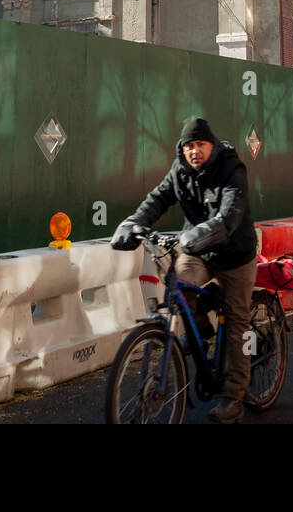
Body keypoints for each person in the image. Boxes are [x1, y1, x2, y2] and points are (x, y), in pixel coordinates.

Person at [110, 116, 257, 424]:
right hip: (197, 251)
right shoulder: (180, 171)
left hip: (235, 254)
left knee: (237, 326)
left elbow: (230, 216)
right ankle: (201, 332)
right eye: (189, 146)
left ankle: (234, 398)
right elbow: (157, 199)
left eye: (200, 145)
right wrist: (133, 223)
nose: (194, 152)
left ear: (212, 145)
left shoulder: (232, 168)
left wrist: (200, 233)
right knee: (180, 290)